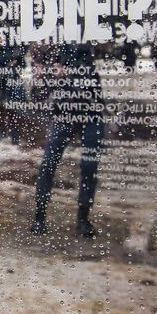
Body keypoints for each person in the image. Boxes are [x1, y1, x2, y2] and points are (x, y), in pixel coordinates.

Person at [31, 43, 104, 238]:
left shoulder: (83, 51)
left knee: (89, 167)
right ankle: (39, 216)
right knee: (48, 164)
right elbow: (37, 98)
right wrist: (40, 78)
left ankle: (82, 219)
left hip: (90, 114)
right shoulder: (53, 56)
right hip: (63, 114)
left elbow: (86, 81)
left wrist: (64, 75)